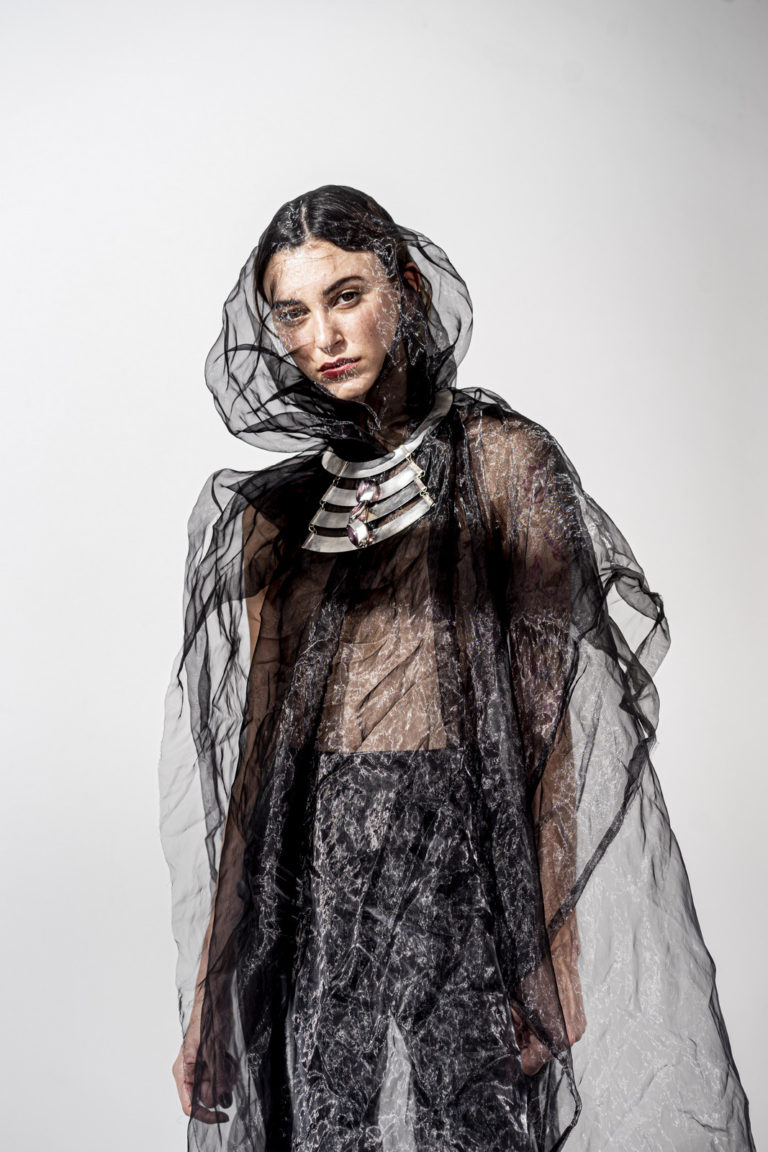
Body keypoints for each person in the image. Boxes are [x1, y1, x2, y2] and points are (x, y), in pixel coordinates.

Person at [158, 185, 756, 1152]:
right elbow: (255, 765)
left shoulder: (507, 464)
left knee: (473, 1128)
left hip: (459, 864)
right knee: (320, 1130)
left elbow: (546, 731)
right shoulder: (273, 512)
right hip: (306, 880)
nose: (323, 337)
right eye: (293, 313)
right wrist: (211, 994)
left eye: (345, 296)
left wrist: (552, 956)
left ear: (405, 288)